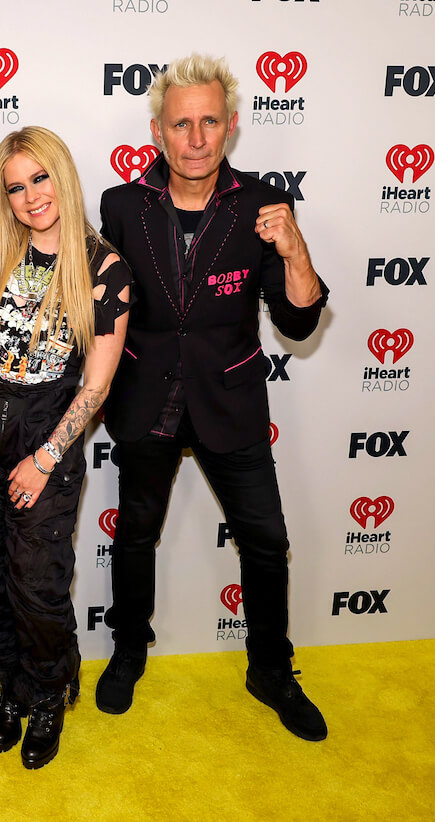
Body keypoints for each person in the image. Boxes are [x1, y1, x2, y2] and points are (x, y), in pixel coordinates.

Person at [95, 53, 330, 742]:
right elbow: (95, 299)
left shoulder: (263, 205)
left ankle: (271, 670)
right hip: (146, 397)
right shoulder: (120, 207)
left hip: (231, 401)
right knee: (135, 535)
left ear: (230, 127)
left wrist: (294, 249)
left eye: (209, 123)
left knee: (267, 541)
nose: (195, 139)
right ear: (158, 131)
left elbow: (298, 323)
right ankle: (129, 652)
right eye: (180, 124)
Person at [0, 127, 130, 769]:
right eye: (15, 187)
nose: (31, 196)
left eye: (40, 178)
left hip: (46, 427)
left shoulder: (103, 266)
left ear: (62, 175)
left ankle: (48, 692)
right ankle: (12, 682)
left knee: (36, 581)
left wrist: (46, 458)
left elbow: (97, 384)